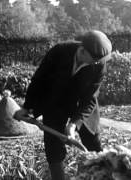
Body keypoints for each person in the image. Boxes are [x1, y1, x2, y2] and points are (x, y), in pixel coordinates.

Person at [14, 30, 112, 180]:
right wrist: (27, 107)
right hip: (55, 102)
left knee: (93, 145)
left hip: (82, 105)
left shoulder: (99, 65)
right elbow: (39, 79)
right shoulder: (60, 51)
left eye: (99, 61)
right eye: (94, 59)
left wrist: (73, 124)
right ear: (83, 51)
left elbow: (90, 98)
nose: (96, 63)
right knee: (54, 149)